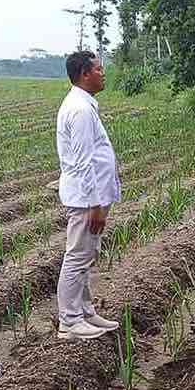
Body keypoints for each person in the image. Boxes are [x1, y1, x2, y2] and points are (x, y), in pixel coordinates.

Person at [54, 50, 121, 340]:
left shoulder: (84, 105)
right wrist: (95, 203)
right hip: (85, 199)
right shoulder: (80, 110)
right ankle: (69, 321)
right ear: (84, 74)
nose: (103, 73)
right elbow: (83, 162)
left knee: (87, 254)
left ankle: (85, 311)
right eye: (98, 69)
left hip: (90, 197)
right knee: (77, 256)